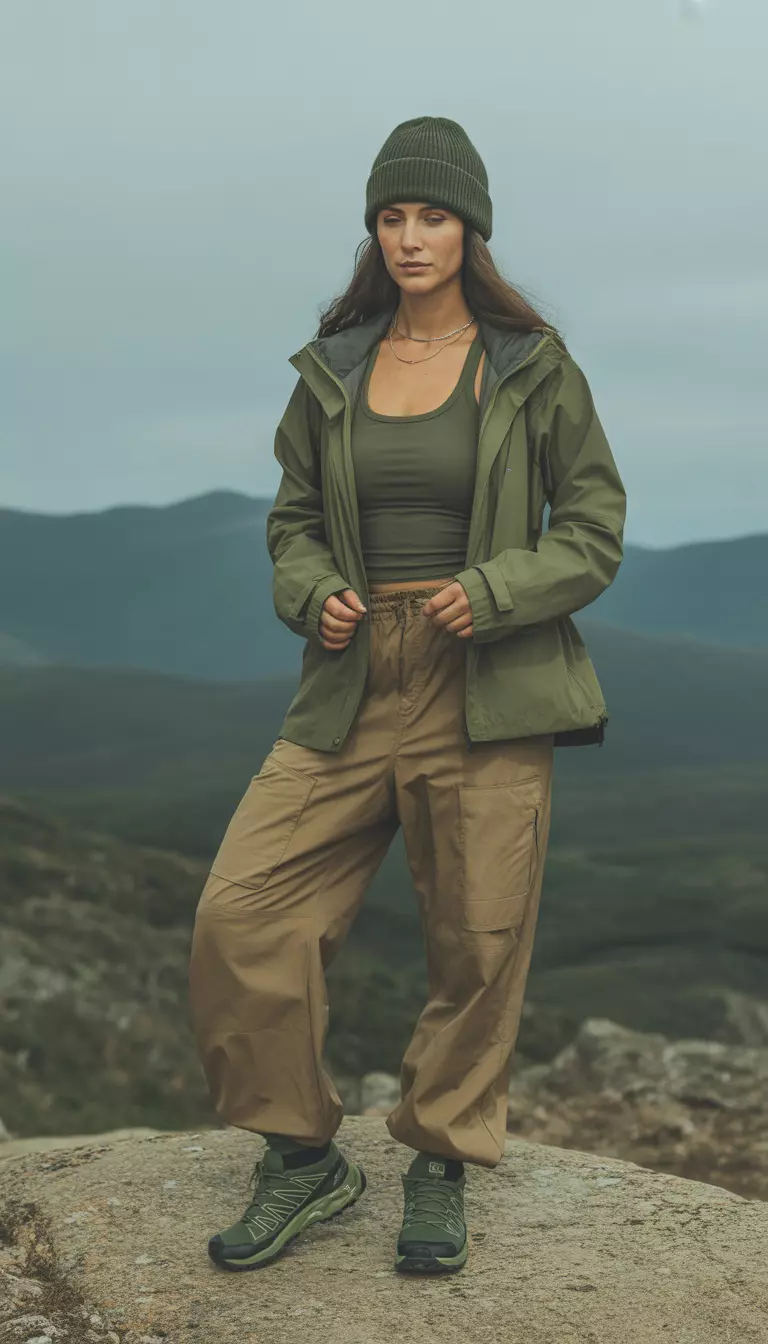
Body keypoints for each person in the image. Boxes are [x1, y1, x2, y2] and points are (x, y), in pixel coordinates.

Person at [188, 114, 627, 1276]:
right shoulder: (332, 369)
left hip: (486, 669)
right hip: (349, 675)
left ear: (469, 229)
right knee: (243, 914)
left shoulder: (532, 366)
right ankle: (300, 1156)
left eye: (433, 216)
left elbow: (592, 529)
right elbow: (289, 520)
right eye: (392, 216)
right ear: (373, 232)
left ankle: (439, 1160)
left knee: (476, 937)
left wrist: (494, 589)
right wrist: (313, 588)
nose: (411, 236)